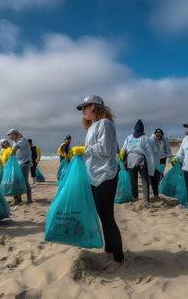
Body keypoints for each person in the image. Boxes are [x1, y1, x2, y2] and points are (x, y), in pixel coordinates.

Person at [72, 95, 123, 271]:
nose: (83, 111)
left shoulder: (106, 124)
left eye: (84, 107)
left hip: (106, 176)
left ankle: (118, 258)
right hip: (94, 176)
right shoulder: (93, 127)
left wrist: (83, 149)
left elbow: (105, 149)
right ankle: (109, 250)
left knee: (108, 218)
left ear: (94, 106)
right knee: (102, 216)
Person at [121, 119, 155, 203]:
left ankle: (135, 197)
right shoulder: (145, 138)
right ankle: (146, 199)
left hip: (130, 160)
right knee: (145, 180)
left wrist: (122, 158)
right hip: (141, 160)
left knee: (133, 180)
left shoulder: (129, 137)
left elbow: (124, 149)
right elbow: (150, 153)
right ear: (142, 129)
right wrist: (151, 168)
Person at [7, 128, 32, 204]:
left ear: (14, 134)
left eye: (10, 134)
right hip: (18, 162)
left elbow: (17, 146)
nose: (9, 136)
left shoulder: (22, 139)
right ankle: (18, 199)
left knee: (24, 180)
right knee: (16, 180)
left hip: (25, 162)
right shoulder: (14, 141)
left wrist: (12, 149)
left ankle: (29, 198)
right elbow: (15, 152)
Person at [149, 128, 172, 198]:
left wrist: (170, 156)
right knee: (154, 174)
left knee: (160, 173)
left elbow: (167, 148)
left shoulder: (164, 140)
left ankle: (160, 186)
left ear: (162, 135)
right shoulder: (151, 139)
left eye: (160, 135)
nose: (158, 136)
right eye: (157, 135)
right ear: (154, 134)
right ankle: (155, 190)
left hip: (162, 158)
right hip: (153, 158)